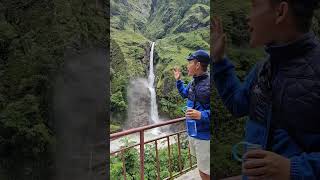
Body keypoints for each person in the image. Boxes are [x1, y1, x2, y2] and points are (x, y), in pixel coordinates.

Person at [212, 0, 320, 179]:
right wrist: (219, 60)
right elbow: (237, 104)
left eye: (255, 6)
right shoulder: (264, 69)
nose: (248, 16)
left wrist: (293, 169)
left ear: (281, 11)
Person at [173, 50, 211, 180]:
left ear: (197, 65)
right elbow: (185, 93)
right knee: (201, 167)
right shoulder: (193, 82)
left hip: (204, 136)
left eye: (189, 63)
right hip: (193, 132)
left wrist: (202, 115)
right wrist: (178, 81)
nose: (187, 66)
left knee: (206, 171)